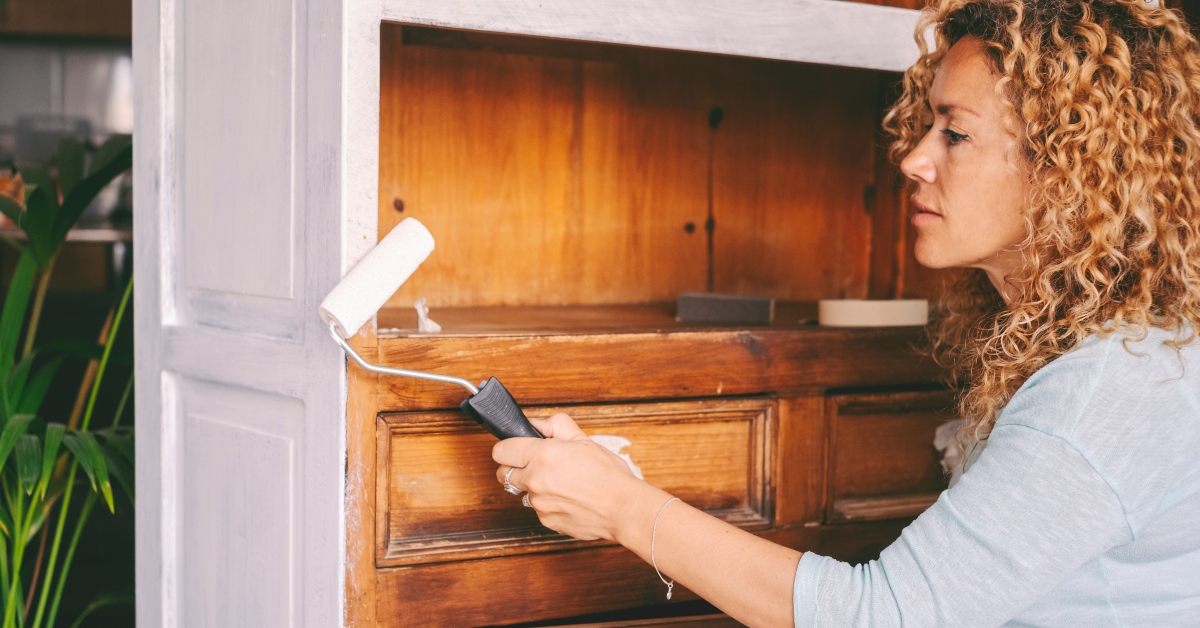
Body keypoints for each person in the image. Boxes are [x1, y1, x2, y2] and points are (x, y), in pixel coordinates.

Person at [493, 0, 1200, 625]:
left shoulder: (1110, 389)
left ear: (1067, 165)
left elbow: (881, 615)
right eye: (928, 126)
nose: (914, 159)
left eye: (954, 134)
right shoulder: (1108, 350)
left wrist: (622, 508)